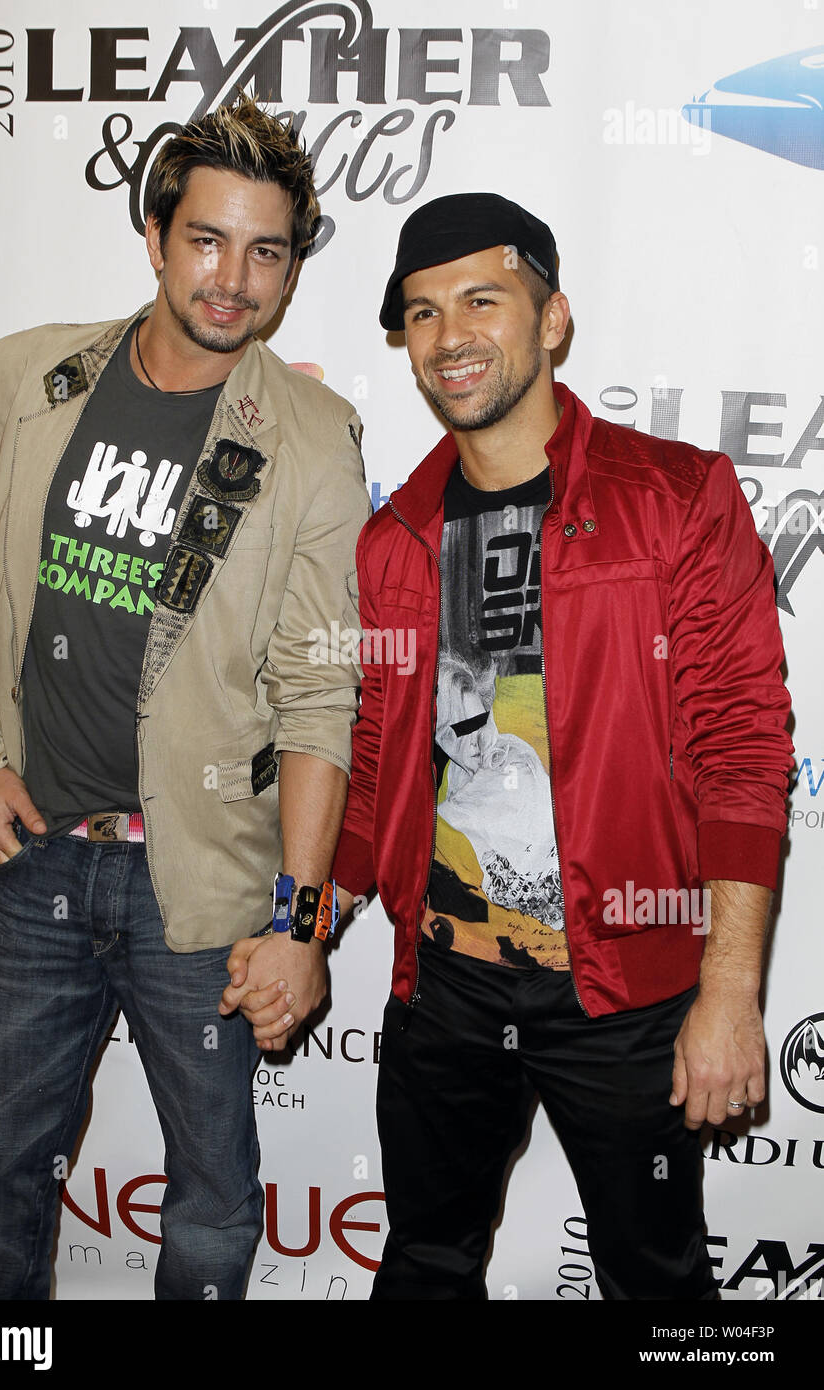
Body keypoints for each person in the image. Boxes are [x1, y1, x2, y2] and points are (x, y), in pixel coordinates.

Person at [230, 191, 794, 1299]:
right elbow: (371, 777)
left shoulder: (674, 500)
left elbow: (741, 749)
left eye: (482, 300)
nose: (450, 337)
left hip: (625, 991)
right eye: (425, 313)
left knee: (656, 1278)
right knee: (425, 1262)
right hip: (441, 989)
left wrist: (727, 993)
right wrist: (298, 929)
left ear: (552, 320)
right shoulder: (396, 540)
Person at [0, 94, 370, 1301]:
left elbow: (320, 686)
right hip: (39, 860)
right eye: (207, 240)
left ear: (290, 267)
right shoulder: (27, 375)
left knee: (214, 1208)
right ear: (156, 236)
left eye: (265, 252)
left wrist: (297, 916)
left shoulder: (315, 439)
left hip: (210, 883)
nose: (233, 279)